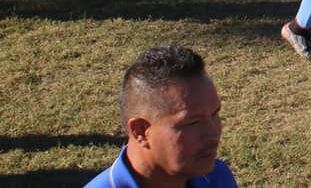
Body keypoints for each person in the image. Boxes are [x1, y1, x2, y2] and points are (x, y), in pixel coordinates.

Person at [85, 45, 238, 188]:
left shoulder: (216, 177)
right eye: (193, 123)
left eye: (214, 114)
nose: (213, 134)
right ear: (141, 131)